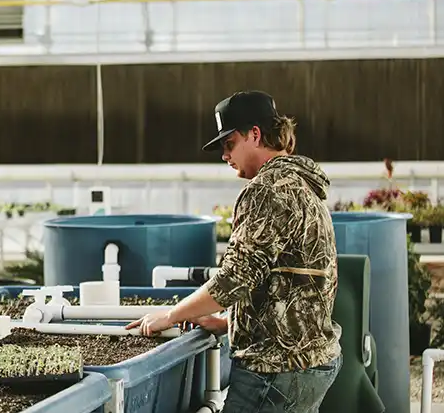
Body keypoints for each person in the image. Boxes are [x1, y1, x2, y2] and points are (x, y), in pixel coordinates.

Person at [126, 90, 342, 413]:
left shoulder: (267, 191)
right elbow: (293, 285)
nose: (225, 156)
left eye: (229, 144)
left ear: (255, 134)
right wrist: (228, 322)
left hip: (275, 372)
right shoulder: (303, 186)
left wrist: (170, 315)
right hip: (311, 362)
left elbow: (235, 278)